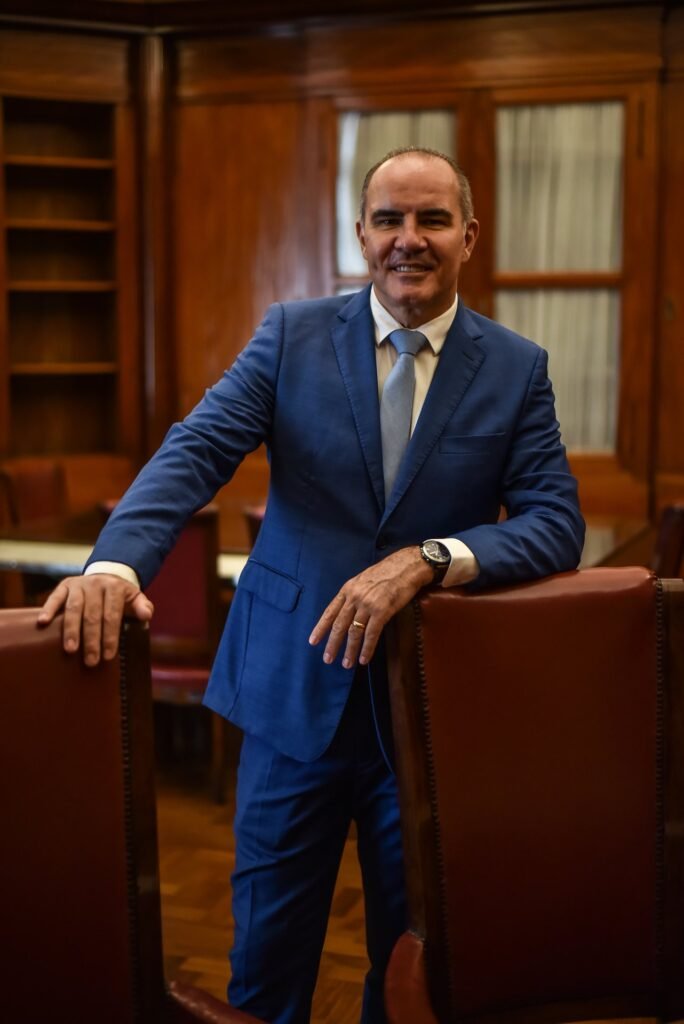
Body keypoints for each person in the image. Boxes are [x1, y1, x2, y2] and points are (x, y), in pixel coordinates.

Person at [39, 146, 584, 1024]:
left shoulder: (517, 367)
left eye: (433, 219)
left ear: (469, 235)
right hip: (289, 696)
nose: (409, 239)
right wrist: (113, 563)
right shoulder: (290, 335)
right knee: (266, 964)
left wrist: (429, 558)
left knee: (412, 967)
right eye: (389, 219)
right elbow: (196, 450)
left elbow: (555, 522)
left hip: (426, 711)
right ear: (361, 233)